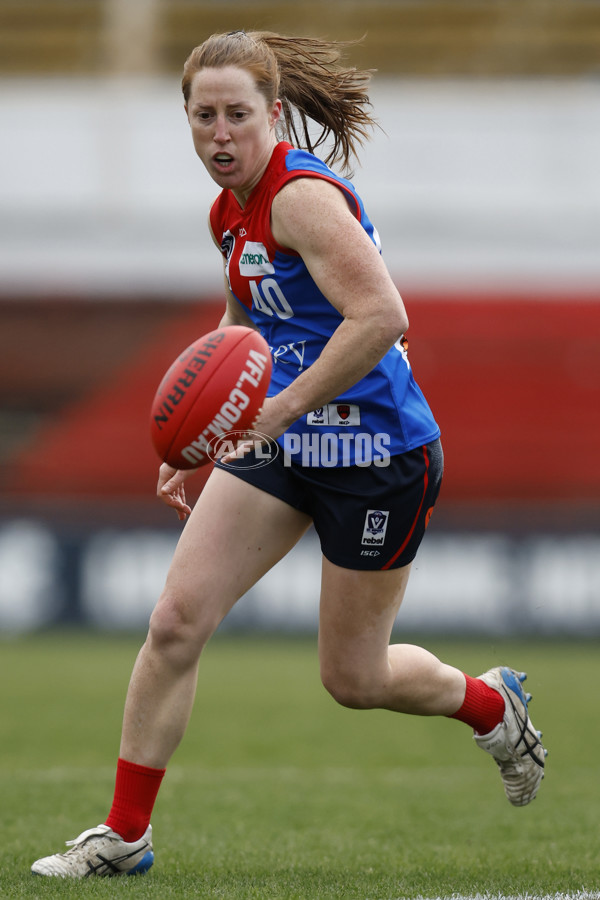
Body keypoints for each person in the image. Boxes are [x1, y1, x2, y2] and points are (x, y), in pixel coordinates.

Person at [31, 31, 546, 878]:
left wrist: (274, 408)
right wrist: (197, 429)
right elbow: (247, 313)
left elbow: (383, 316)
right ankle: (124, 839)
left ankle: (491, 704)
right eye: (204, 116)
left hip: (377, 451)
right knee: (174, 622)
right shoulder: (225, 209)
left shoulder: (300, 198)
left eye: (238, 115)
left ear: (274, 115)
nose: (220, 133)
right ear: (188, 120)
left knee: (354, 677)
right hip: (282, 440)